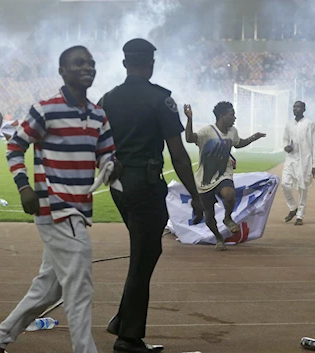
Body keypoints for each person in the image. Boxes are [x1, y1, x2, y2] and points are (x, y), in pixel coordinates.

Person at [0, 46, 111, 353]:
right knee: (80, 288)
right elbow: (15, 147)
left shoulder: (98, 115)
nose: (87, 67)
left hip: (79, 210)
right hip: (54, 207)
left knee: (49, 288)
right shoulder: (45, 109)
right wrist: (24, 187)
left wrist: (112, 167)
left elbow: (107, 156)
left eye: (90, 63)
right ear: (62, 71)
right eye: (79, 63)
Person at [97, 38, 203, 353]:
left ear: (125, 63)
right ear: (151, 63)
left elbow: (96, 144)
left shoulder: (108, 99)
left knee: (147, 251)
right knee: (144, 256)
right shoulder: (161, 100)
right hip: (145, 184)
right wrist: (196, 196)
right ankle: (127, 338)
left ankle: (123, 320)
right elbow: (179, 154)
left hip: (118, 185)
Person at [184, 102, 265, 250]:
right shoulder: (207, 132)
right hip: (205, 178)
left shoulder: (232, 131)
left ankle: (227, 218)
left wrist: (254, 137)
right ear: (222, 116)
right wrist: (189, 119)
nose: (234, 117)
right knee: (209, 215)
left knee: (229, 194)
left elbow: (239, 143)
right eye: (231, 114)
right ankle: (218, 238)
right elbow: (189, 138)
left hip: (223, 173)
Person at [282, 101, 315, 226]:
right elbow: (285, 139)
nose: (296, 109)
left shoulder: (310, 124)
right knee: (285, 184)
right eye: (294, 107)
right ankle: (293, 208)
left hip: (305, 160)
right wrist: (286, 147)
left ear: (304, 109)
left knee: (303, 188)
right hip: (291, 159)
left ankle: (300, 215)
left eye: (298, 107)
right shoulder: (289, 124)